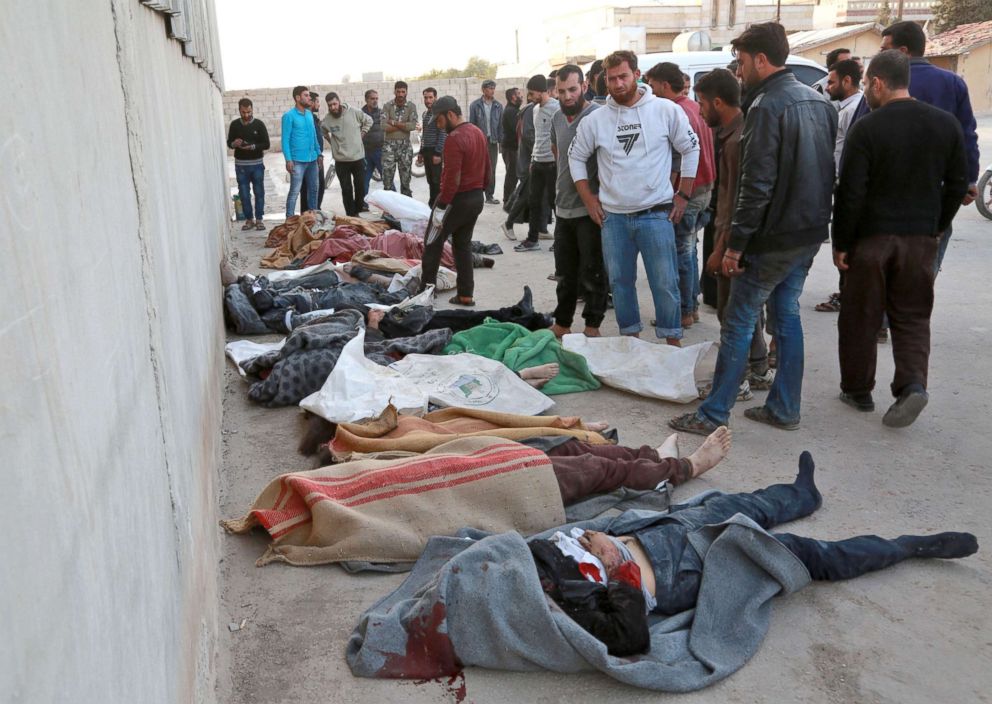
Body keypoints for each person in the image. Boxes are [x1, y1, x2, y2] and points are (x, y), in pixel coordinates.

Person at [533, 450, 978, 656]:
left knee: (739, 504)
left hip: (657, 533)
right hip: (680, 569)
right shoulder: (556, 600)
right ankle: (906, 548)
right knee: (805, 554)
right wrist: (617, 566)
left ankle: (803, 495)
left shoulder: (521, 559)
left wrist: (602, 536)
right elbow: (631, 636)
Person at [669, 22, 836, 435]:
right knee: (786, 315)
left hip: (772, 237)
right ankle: (783, 408)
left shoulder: (765, 108)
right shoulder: (818, 102)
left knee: (739, 322)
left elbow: (755, 186)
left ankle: (712, 414)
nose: (738, 72)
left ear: (762, 60)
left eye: (742, 63)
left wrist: (734, 246)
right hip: (807, 232)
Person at [832, 50, 968, 428]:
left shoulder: (867, 127)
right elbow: (959, 182)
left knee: (861, 316)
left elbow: (851, 192)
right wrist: (937, 224)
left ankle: (858, 391)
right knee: (911, 317)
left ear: (877, 83)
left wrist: (841, 242)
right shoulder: (945, 125)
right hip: (920, 239)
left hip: (872, 240)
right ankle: (912, 386)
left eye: (866, 85)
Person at [568, 50, 700, 346]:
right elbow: (575, 157)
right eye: (611, 79)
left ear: (637, 75)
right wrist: (589, 199)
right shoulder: (596, 120)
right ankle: (630, 340)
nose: (617, 84)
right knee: (620, 284)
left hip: (656, 214)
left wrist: (684, 195)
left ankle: (671, 341)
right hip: (613, 218)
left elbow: (691, 149)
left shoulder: (665, 110)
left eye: (623, 76)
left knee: (665, 283)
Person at [696, 68, 774, 396]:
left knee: (732, 313)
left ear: (717, 102)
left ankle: (735, 382)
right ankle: (758, 367)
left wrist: (723, 248)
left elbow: (734, 201)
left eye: (701, 104)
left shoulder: (736, 141)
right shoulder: (733, 132)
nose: (699, 111)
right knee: (746, 309)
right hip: (740, 235)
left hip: (736, 237)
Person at [881, 21, 981, 273]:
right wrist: (968, 181)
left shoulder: (882, 83)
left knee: (882, 281)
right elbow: (967, 136)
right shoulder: (953, 83)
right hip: (935, 199)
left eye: (885, 49)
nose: (880, 55)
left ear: (903, 51)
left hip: (887, 199)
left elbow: (857, 136)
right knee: (922, 281)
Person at [645, 62, 717, 328]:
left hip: (687, 192)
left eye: (652, 86)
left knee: (681, 252)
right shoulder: (694, 106)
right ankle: (692, 307)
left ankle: (685, 311)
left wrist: (674, 195)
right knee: (689, 249)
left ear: (664, 85)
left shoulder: (674, 111)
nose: (650, 91)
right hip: (704, 189)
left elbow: (678, 159)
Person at [547, 65, 608, 340]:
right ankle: (562, 323)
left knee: (593, 271)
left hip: (590, 209)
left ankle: (592, 325)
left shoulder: (599, 116)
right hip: (563, 208)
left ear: (584, 87)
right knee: (565, 273)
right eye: (561, 91)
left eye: (572, 89)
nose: (567, 96)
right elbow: (557, 153)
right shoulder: (557, 118)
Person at [419, 97, 490, 306]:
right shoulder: (477, 132)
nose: (439, 127)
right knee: (462, 245)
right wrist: (481, 190)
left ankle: (425, 293)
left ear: (450, 114)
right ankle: (465, 294)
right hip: (476, 197)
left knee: (432, 243)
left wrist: (441, 207)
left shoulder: (454, 138)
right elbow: (488, 169)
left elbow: (452, 179)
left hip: (456, 200)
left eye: (439, 121)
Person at [813, 58, 865, 315]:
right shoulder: (844, 107)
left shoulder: (853, 110)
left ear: (847, 81)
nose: (829, 87)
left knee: (845, 243)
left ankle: (849, 295)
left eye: (832, 82)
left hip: (845, 182)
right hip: (838, 180)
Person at [514, 75, 561, 252]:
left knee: (554, 203)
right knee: (534, 202)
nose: (531, 96)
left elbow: (560, 137)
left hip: (552, 164)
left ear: (542, 91)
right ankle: (532, 239)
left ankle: (561, 241)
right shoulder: (534, 110)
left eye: (533, 93)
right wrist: (533, 159)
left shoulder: (556, 108)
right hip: (538, 162)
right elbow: (538, 137)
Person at [321, 92, 373, 217]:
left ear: (339, 101)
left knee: (360, 188)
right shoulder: (327, 120)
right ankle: (351, 215)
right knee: (346, 189)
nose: (333, 107)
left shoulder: (354, 112)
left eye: (334, 104)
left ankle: (358, 211)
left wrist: (363, 133)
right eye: (330, 105)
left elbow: (369, 120)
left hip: (358, 158)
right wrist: (333, 143)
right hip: (341, 161)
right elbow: (323, 131)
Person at [227, 97, 270, 231]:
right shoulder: (234, 125)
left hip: (257, 164)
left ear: (252, 110)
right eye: (243, 112)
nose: (246, 115)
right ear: (239, 110)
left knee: (259, 192)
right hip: (241, 166)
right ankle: (249, 219)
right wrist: (235, 144)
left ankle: (259, 219)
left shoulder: (259, 124)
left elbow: (266, 144)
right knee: (244, 193)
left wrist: (252, 147)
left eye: (249, 112)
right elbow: (229, 143)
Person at [281, 86, 322, 219]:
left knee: (314, 190)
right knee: (295, 191)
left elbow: (314, 136)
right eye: (306, 95)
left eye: (309, 95)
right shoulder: (289, 116)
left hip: (312, 160)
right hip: (297, 161)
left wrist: (319, 154)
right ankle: (289, 220)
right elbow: (285, 140)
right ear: (298, 98)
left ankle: (312, 219)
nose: (309, 98)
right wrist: (288, 159)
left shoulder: (310, 115)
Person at [469, 80, 504, 204]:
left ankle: (489, 195)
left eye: (493, 88)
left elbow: (501, 125)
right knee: (478, 168)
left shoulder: (498, 106)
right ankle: (477, 195)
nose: (492, 90)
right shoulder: (475, 105)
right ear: (483, 90)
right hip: (480, 141)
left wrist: (501, 141)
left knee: (492, 169)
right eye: (490, 88)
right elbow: (472, 125)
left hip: (493, 141)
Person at [381, 81, 418, 197]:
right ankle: (388, 210)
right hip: (389, 147)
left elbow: (412, 126)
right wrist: (403, 126)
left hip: (405, 147)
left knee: (406, 181)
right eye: (398, 91)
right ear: (394, 91)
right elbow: (383, 126)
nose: (401, 94)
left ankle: (406, 208)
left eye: (403, 91)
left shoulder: (411, 106)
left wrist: (393, 122)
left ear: (406, 92)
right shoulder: (387, 106)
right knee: (387, 180)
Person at [418, 87, 446, 208]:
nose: (428, 100)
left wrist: (438, 153)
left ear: (435, 98)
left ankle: (438, 206)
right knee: (430, 180)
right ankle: (432, 204)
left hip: (435, 152)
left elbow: (443, 134)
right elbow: (424, 134)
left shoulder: (439, 114)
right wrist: (421, 151)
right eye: (425, 97)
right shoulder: (426, 114)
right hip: (427, 152)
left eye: (430, 97)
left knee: (437, 181)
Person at [298, 91, 326, 212]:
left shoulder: (313, 118)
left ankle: (314, 211)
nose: (319, 105)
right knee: (308, 188)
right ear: (311, 102)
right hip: (309, 158)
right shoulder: (304, 118)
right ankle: (308, 214)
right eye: (317, 102)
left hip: (316, 156)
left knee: (317, 187)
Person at [361, 89, 386, 205]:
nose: (375, 101)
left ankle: (392, 208)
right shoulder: (360, 114)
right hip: (365, 152)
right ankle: (363, 205)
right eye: (372, 98)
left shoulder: (382, 113)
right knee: (363, 181)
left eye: (376, 98)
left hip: (379, 151)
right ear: (366, 100)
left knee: (387, 179)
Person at [501, 87, 523, 203]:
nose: (521, 96)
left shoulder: (514, 110)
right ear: (513, 97)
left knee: (513, 174)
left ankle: (510, 199)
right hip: (510, 148)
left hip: (512, 148)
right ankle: (508, 200)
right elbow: (517, 130)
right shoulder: (511, 111)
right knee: (512, 175)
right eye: (519, 94)